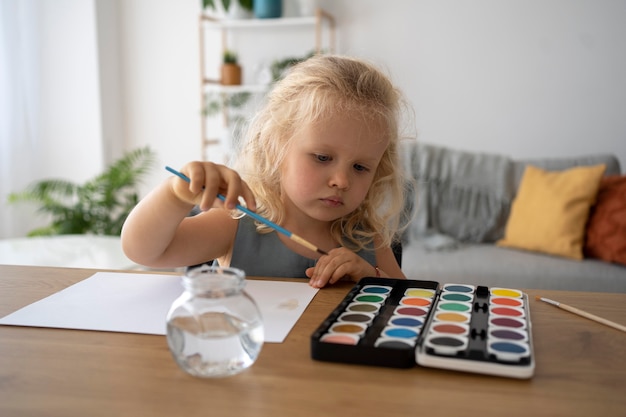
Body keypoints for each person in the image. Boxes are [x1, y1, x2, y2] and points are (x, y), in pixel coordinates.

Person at [121, 54, 410, 288]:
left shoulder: (366, 238)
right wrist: (176, 195)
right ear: (275, 147)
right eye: (322, 157)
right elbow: (144, 252)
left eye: (360, 167)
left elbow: (410, 303)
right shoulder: (236, 225)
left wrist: (370, 280)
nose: (342, 181)